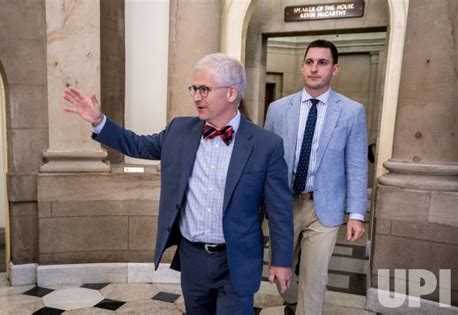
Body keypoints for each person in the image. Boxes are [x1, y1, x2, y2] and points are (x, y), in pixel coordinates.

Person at [63, 53, 293, 315]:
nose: (196, 96)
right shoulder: (179, 130)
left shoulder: (266, 145)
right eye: (194, 88)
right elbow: (136, 144)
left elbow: (280, 210)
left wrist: (281, 261)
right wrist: (98, 120)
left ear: (231, 93)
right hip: (192, 258)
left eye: (204, 89)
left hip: (236, 260)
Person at [264, 39, 368, 315]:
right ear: (302, 66)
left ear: (334, 69)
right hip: (284, 204)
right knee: (279, 271)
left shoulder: (351, 112)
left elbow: (357, 166)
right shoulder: (278, 109)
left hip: (325, 207)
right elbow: (265, 161)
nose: (314, 68)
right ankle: (292, 302)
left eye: (322, 63)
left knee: (314, 278)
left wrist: (356, 213)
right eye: (309, 62)